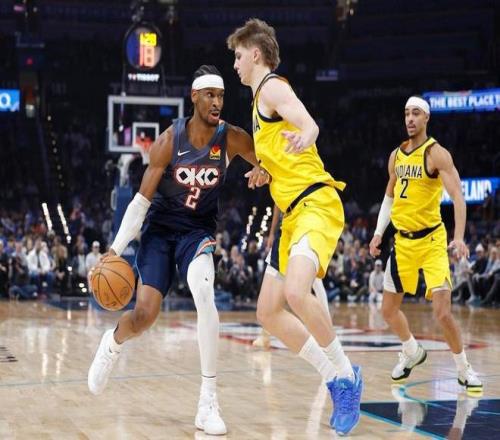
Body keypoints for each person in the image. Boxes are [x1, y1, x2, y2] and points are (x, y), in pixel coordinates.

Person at [87, 65, 269, 436]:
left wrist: (265, 169)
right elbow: (140, 203)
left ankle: (207, 401)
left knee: (204, 291)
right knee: (144, 316)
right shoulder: (169, 140)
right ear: (194, 97)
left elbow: (271, 161)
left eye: (221, 96)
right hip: (160, 232)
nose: (217, 102)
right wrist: (114, 250)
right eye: (210, 95)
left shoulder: (232, 138)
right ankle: (112, 343)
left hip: (197, 233)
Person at [227, 19, 362, 436]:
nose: (235, 64)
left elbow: (308, 123)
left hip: (316, 203)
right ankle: (334, 375)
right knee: (267, 312)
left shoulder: (271, 87)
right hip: (292, 213)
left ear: (255, 54)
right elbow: (283, 149)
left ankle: (346, 376)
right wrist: (267, 171)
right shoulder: (258, 105)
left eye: (238, 56)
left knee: (296, 293)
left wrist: (308, 134)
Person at [369, 96, 482, 393]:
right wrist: (379, 232)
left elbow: (458, 197)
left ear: (426, 118)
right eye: (407, 113)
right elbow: (389, 197)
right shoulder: (395, 156)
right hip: (403, 242)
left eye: (416, 113)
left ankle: (463, 369)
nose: (410, 118)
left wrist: (459, 237)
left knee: (442, 312)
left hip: (432, 241)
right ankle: (411, 350)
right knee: (388, 311)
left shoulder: (436, 154)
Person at [253, 204, 332, 349]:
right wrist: (272, 233)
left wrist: (272, 233)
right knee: (275, 287)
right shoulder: (281, 194)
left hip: (305, 228)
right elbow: (277, 205)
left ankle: (328, 331)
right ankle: (265, 334)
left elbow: (277, 206)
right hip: (288, 231)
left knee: (314, 284)